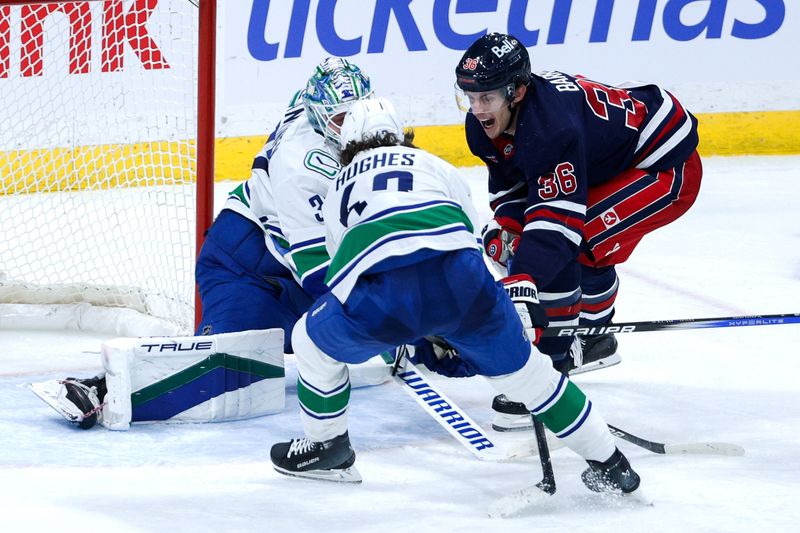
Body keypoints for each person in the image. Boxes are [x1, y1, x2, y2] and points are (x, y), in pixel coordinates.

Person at [269, 97, 641, 496]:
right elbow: (469, 237)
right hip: (463, 282)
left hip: (383, 296)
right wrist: (473, 318)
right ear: (400, 134)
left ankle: (328, 448)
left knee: (310, 341)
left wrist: (410, 330)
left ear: (348, 146)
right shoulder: (436, 165)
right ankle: (613, 466)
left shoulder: (339, 184)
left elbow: (342, 270)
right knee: (535, 378)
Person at [33, 58, 387, 429]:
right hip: (245, 262)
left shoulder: (314, 106)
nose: (349, 129)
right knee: (227, 367)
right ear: (317, 115)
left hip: (285, 252)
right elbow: (321, 277)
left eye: (353, 115)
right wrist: (393, 316)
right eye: (339, 119)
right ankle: (100, 390)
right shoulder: (302, 169)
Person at [454, 33, 702, 427]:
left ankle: (549, 375)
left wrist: (522, 280)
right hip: (614, 156)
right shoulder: (487, 126)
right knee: (548, 246)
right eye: (469, 96)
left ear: (516, 92)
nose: (477, 109)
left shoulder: (551, 129)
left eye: (487, 98)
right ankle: (595, 338)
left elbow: (557, 230)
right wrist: (508, 230)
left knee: (575, 243)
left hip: (666, 166)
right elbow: (517, 190)